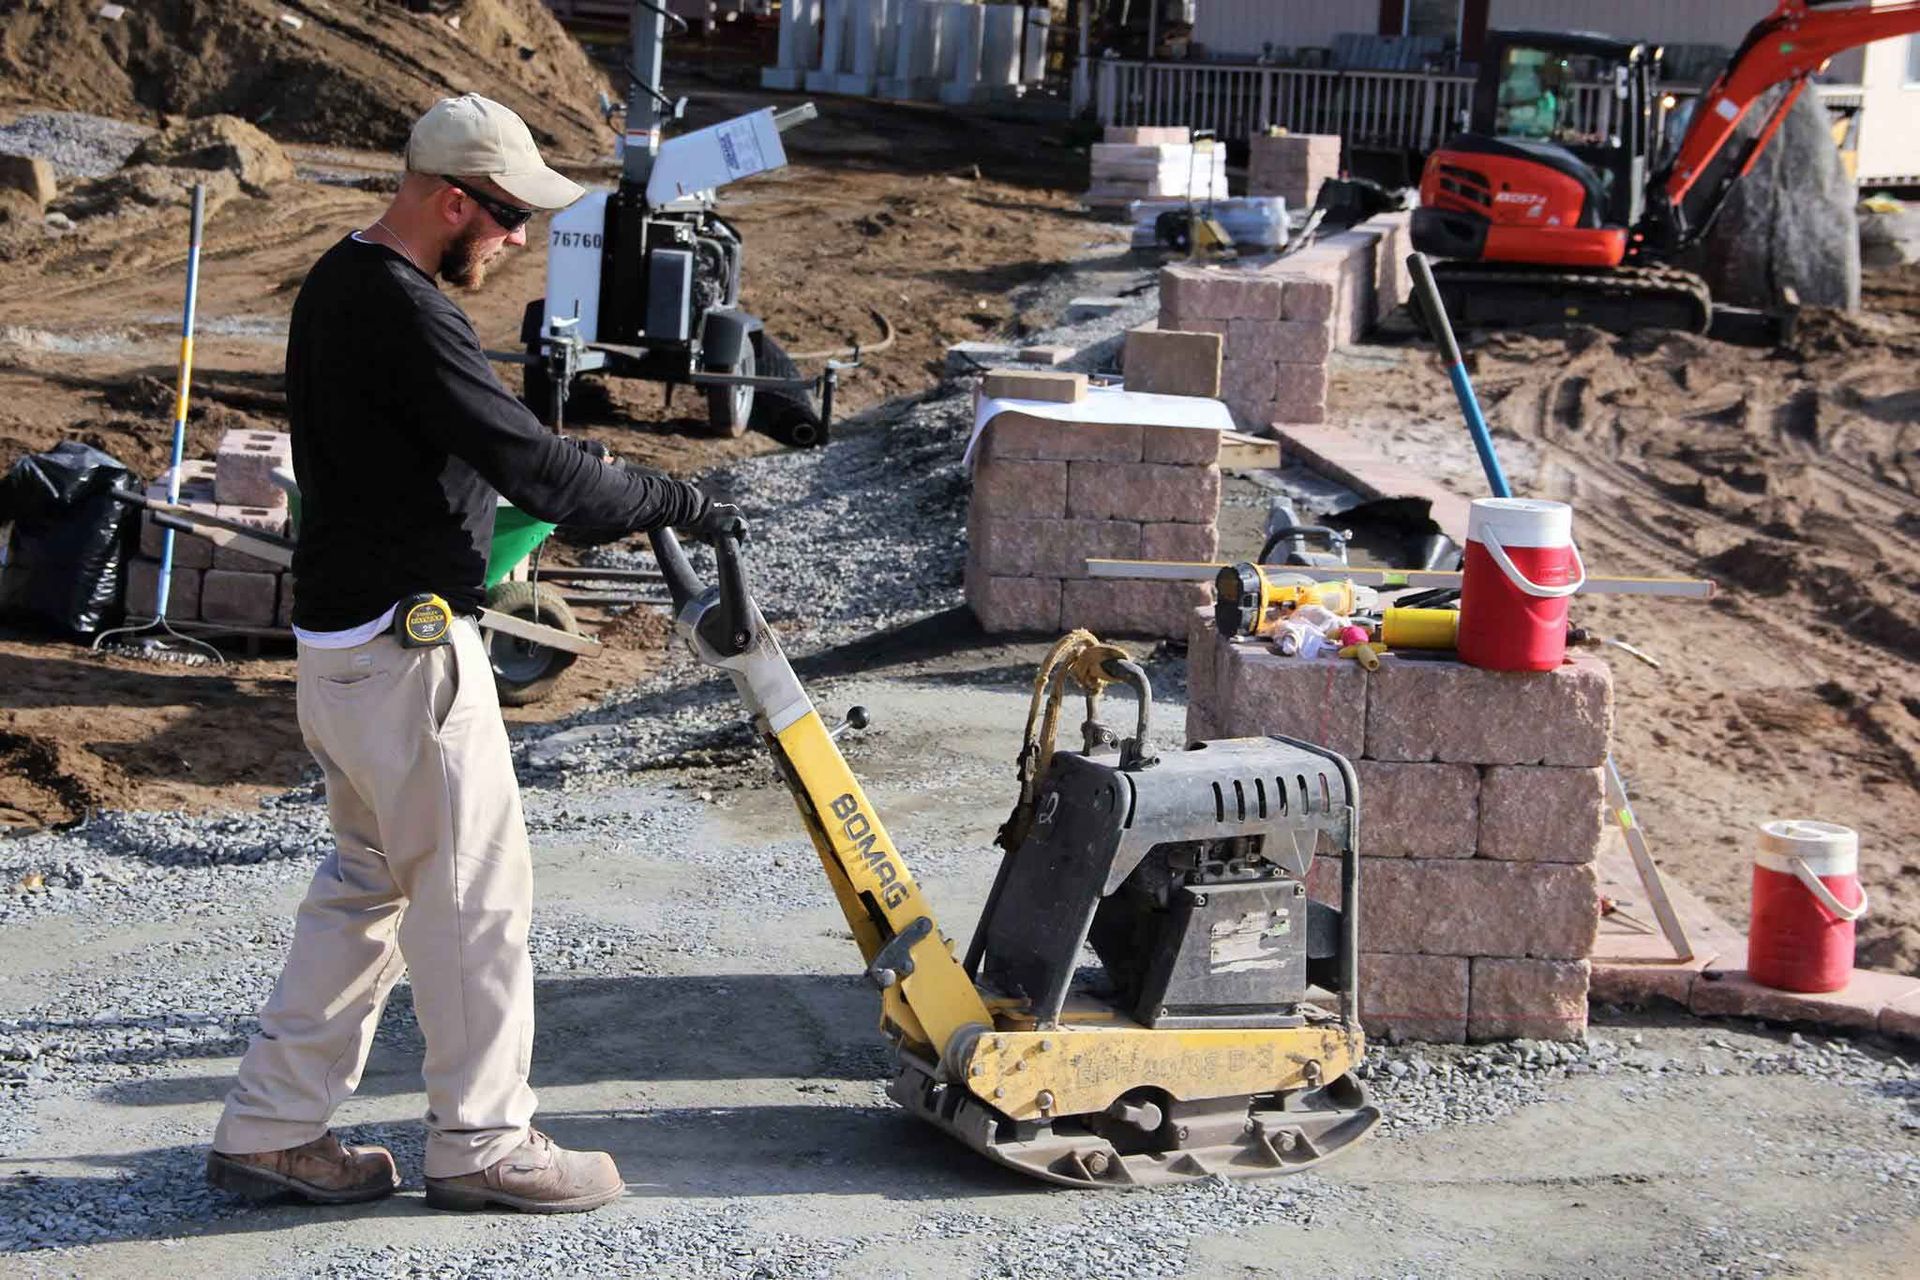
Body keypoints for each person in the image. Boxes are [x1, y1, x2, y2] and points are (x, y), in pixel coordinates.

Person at [204, 93, 742, 1215]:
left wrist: (586, 475)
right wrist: (674, 496)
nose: (517, 239)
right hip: (409, 661)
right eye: (504, 217)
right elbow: (534, 470)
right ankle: (485, 1142)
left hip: (340, 653)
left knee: (366, 890)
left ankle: (270, 1126)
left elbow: (468, 456)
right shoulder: (407, 312)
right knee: (475, 897)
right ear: (452, 199)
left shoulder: (337, 282)